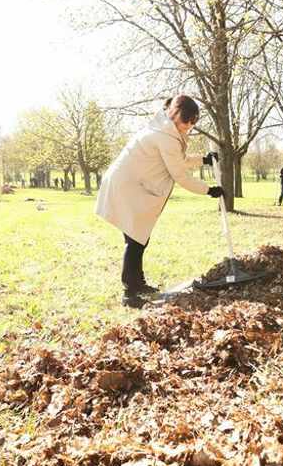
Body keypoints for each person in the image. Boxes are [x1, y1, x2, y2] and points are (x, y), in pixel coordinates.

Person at [96, 95, 224, 308]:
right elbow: (180, 175)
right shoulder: (165, 136)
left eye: (193, 122)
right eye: (187, 121)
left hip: (128, 184)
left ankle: (138, 284)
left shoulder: (165, 129)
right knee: (135, 240)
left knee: (139, 238)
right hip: (126, 186)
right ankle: (129, 293)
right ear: (176, 114)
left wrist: (203, 160)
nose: (189, 126)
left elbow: (178, 160)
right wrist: (208, 190)